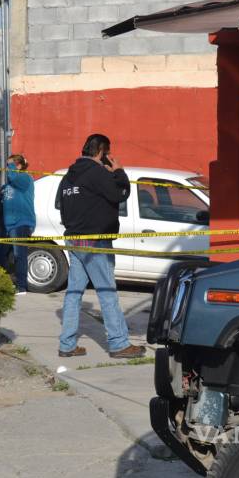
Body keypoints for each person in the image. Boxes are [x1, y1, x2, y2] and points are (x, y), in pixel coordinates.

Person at [55, 134, 145, 359]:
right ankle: (118, 344)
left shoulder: (68, 176)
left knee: (74, 293)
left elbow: (60, 204)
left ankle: (67, 345)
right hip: (95, 241)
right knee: (107, 292)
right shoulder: (97, 173)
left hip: (74, 239)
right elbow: (120, 194)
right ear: (102, 152)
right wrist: (119, 172)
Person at [0, 154, 36, 295]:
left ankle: (21, 286)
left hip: (21, 222)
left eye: (10, 165)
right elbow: (0, 207)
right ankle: (2, 283)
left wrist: (11, 166)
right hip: (6, 224)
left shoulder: (25, 178)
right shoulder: (6, 187)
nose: (7, 168)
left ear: (18, 166)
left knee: (19, 254)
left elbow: (13, 176)